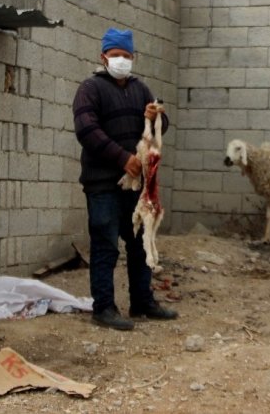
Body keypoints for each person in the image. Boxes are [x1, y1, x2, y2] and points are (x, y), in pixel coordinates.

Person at [72, 28, 178, 331]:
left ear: (133, 58)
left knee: (139, 243)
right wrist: (123, 159)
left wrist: (155, 116)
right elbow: (87, 130)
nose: (121, 60)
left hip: (135, 186)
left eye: (126, 56)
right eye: (116, 55)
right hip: (103, 183)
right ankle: (103, 307)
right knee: (105, 244)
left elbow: (162, 124)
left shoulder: (140, 89)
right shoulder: (90, 89)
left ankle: (142, 302)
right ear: (103, 56)